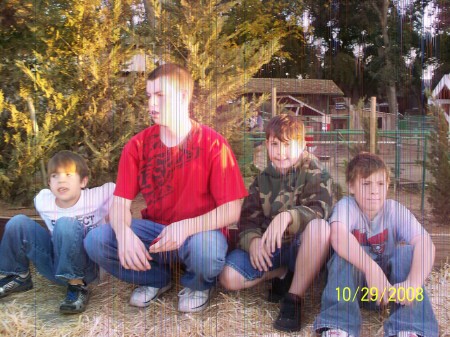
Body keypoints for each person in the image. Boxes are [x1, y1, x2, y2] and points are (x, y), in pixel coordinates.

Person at [84, 63, 247, 313]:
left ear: (183, 96)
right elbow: (120, 203)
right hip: (155, 235)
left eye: (160, 96)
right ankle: (156, 279)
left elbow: (232, 210)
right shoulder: (137, 146)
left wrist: (186, 226)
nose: (152, 104)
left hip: (199, 234)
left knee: (208, 250)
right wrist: (123, 232)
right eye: (149, 96)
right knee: (97, 240)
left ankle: (199, 285)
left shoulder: (214, 144)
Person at [219, 114, 333, 332]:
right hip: (271, 247)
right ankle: (281, 272)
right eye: (274, 144)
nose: (280, 152)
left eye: (287, 145)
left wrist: (288, 216)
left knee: (320, 228)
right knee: (228, 277)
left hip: (303, 247)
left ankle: (294, 299)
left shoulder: (315, 171)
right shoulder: (262, 180)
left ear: (301, 145)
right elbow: (247, 220)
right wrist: (252, 242)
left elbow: (320, 209)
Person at [314, 152, 438, 337]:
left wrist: (413, 282)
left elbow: (425, 241)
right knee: (344, 255)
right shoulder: (347, 206)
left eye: (380, 184)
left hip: (390, 292)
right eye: (366, 184)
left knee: (407, 252)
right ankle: (338, 325)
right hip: (353, 291)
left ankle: (410, 327)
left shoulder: (394, 210)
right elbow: (338, 236)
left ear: (387, 185)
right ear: (351, 186)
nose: (374, 191)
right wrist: (371, 268)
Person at [0, 150, 115, 313]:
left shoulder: (97, 197)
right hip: (56, 267)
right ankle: (19, 276)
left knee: (65, 223)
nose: (61, 179)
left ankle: (77, 287)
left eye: (68, 174)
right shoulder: (43, 201)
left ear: (83, 181)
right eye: (55, 176)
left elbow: (119, 193)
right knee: (18, 222)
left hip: (88, 271)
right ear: (49, 183)